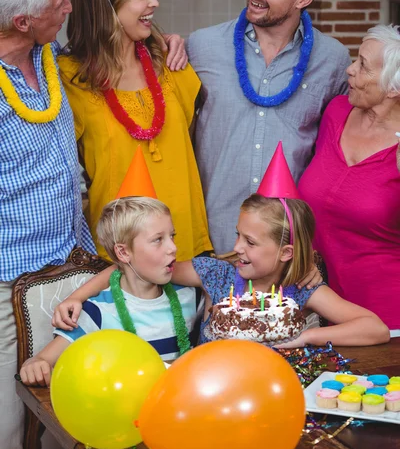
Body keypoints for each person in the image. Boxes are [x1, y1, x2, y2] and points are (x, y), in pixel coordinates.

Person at [50, 145, 389, 349]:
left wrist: (307, 338)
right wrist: (77, 296)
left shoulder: (300, 288)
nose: (237, 247)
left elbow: (375, 329)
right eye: (238, 235)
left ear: (286, 253)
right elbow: (133, 265)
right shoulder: (217, 273)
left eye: (251, 242)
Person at [186, 0, 352, 253]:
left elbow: (339, 152)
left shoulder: (333, 60)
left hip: (288, 248)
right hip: (214, 241)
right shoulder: (202, 46)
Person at [57, 0, 212, 261]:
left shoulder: (170, 63)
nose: (154, 3)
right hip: (119, 254)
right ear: (107, 8)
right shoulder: (70, 77)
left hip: (184, 245)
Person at [0, 0, 96, 449]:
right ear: (22, 19)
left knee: (71, 417)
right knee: (9, 431)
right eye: (59, 1)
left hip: (71, 271)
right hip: (8, 283)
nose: (68, 8)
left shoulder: (46, 55)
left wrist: (165, 40)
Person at [20, 197, 202, 387]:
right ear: (123, 253)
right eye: (158, 240)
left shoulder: (188, 295)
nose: (173, 248)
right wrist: (34, 364)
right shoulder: (97, 312)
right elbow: (42, 360)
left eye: (172, 236)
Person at [298, 25, 400, 334]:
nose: (350, 70)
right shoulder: (336, 112)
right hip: (324, 309)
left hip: (388, 321)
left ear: (393, 88)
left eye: (363, 65)